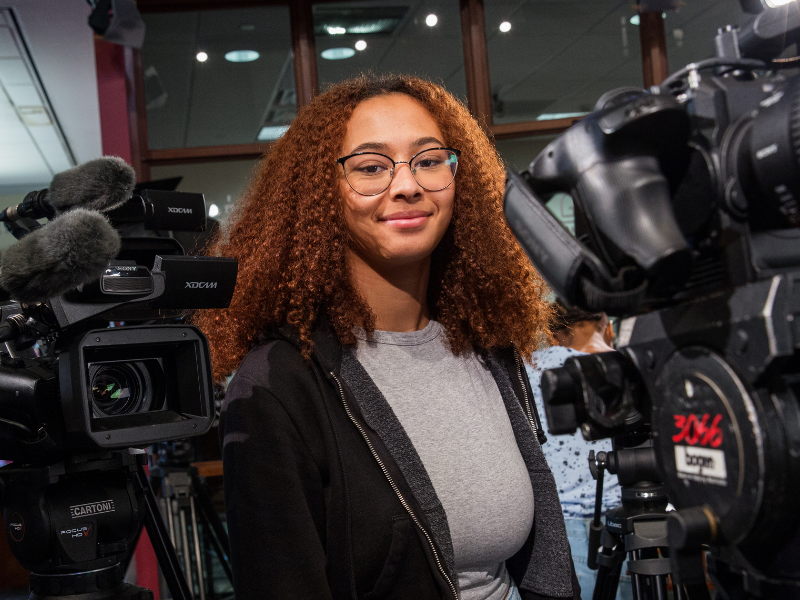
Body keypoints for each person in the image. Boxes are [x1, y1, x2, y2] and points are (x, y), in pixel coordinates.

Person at [194, 75, 580, 600]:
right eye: (371, 167)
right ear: (320, 195)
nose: (407, 185)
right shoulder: (278, 383)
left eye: (428, 160)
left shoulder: (487, 347)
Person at [526, 302, 632, 600]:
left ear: (552, 333)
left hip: (554, 531)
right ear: (607, 328)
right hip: (623, 525)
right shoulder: (624, 370)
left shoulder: (527, 370)